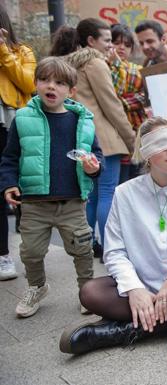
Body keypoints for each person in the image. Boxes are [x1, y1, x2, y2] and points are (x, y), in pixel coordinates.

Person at [58, 117, 167, 355]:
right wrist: (134, 289)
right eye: (163, 143)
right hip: (143, 284)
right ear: (146, 153)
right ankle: (164, 319)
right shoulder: (124, 193)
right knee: (91, 292)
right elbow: (115, 251)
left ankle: (121, 331)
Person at [0, 57, 103, 317]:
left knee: (81, 247)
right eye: (44, 80)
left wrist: (94, 167)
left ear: (71, 91)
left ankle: (87, 290)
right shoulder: (23, 118)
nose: (51, 86)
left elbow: (96, 156)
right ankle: (37, 286)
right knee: (31, 251)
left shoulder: (83, 121)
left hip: (72, 201)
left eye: (59, 82)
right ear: (35, 84)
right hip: (35, 202)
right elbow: (9, 157)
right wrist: (9, 184)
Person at [61, 18, 136, 262]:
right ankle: (110, 249)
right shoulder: (95, 63)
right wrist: (131, 138)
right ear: (91, 41)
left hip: (82, 136)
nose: (110, 45)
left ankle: (89, 243)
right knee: (107, 193)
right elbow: (112, 105)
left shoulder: (73, 64)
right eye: (106, 40)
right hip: (104, 137)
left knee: (92, 196)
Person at [0, 4, 36, 281]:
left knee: (14, 183)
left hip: (11, 123)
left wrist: (3, 52)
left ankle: (10, 254)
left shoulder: (21, 51)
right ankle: (3, 252)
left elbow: (28, 84)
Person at [109, 23, 148, 185]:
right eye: (117, 43)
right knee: (117, 182)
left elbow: (145, 97)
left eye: (127, 45)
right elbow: (108, 96)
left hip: (136, 129)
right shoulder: (102, 68)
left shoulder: (139, 69)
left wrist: (120, 102)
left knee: (137, 179)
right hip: (113, 130)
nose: (121, 48)